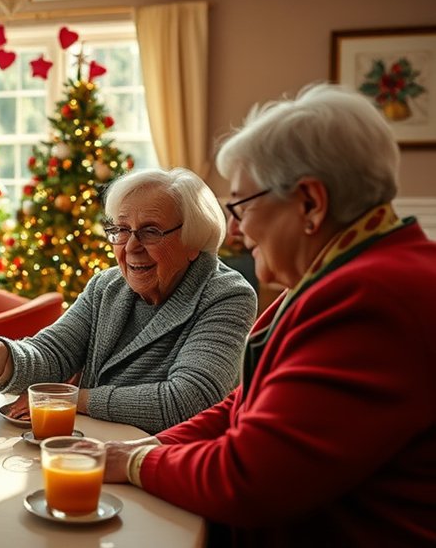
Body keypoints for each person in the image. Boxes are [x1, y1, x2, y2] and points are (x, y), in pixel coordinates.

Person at [104, 84, 436, 546]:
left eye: (242, 204)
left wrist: (132, 464)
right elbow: (243, 406)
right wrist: (146, 447)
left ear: (311, 204)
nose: (234, 229)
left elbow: (248, 477)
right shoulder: (333, 275)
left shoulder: (372, 298)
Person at [0, 168, 257, 434]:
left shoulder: (226, 295)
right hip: (88, 448)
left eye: (150, 231)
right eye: (120, 229)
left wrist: (76, 399)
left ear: (193, 241)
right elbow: (53, 353)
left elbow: (186, 401)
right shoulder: (107, 285)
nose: (130, 246)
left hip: (163, 460)